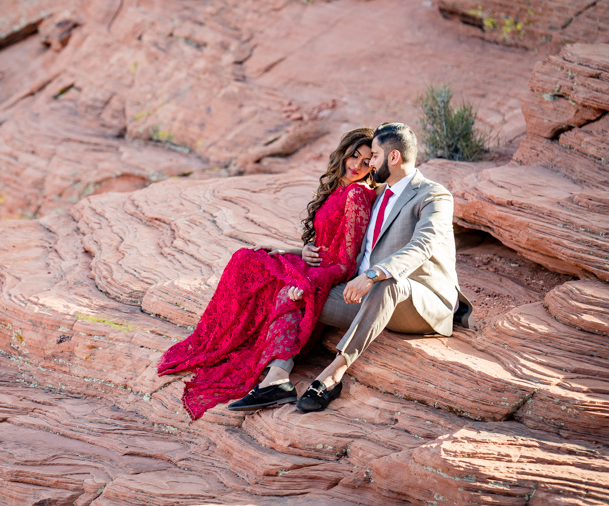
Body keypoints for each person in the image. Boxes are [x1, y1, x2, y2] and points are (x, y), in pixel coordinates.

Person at [158, 128, 378, 420]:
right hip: (313, 264)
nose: (357, 165)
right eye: (354, 155)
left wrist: (310, 282)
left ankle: (276, 379)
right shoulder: (339, 188)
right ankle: (228, 342)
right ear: (344, 152)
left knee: (283, 290)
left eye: (366, 161)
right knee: (246, 259)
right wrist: (292, 251)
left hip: (325, 275)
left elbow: (345, 263)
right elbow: (325, 246)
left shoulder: (357, 194)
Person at [290, 122, 474, 412]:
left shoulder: (433, 196)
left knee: (389, 282)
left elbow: (421, 246)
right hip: (367, 297)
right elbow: (345, 246)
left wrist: (373, 275)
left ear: (393, 157)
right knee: (298, 287)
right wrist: (301, 253)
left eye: (374, 156)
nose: (370, 164)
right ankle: (273, 373)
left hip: (420, 301)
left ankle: (334, 373)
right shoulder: (375, 197)